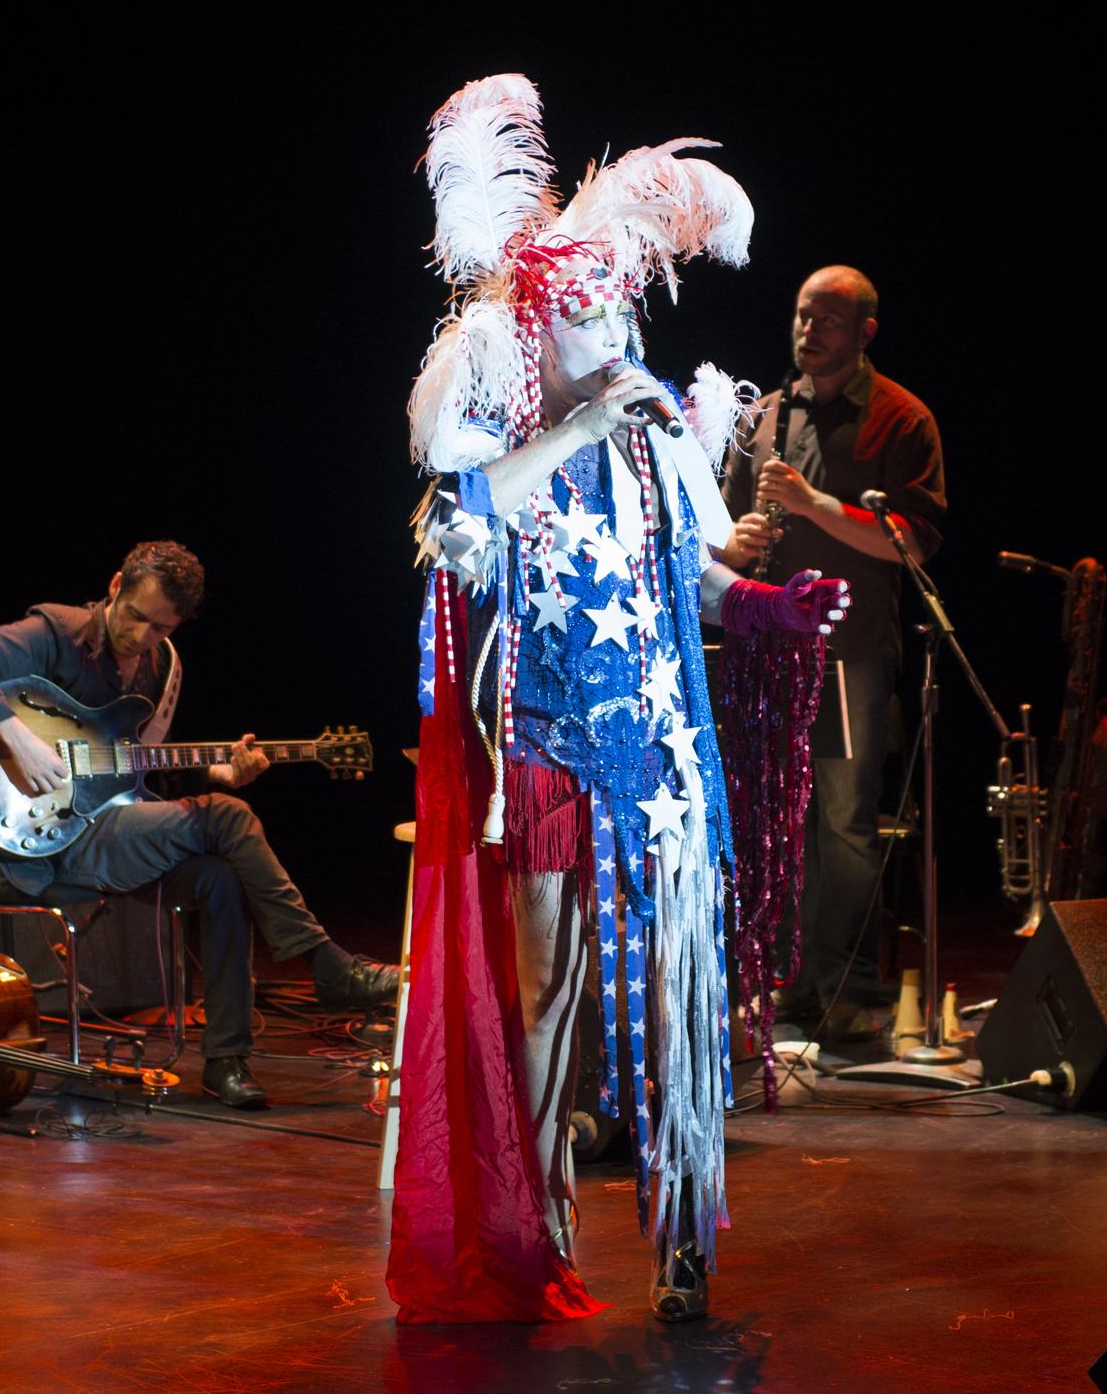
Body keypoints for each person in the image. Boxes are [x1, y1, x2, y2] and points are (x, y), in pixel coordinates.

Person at [389, 74, 845, 1326]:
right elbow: (456, 514)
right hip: (545, 758)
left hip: (656, 756)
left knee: (673, 995)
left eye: (620, 317)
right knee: (545, 1001)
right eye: (590, 321)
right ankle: (532, 1225)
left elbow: (690, 583)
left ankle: (686, 1235)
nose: (616, 337)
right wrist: (581, 424)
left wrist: (767, 608)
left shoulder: (657, 439)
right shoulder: (510, 427)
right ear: (540, 331)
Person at [0, 539, 400, 1110]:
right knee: (229, 819)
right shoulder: (57, 631)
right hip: (46, 839)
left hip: (111, 830)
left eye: (159, 628)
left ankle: (226, 1061)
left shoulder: (160, 668)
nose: (140, 636)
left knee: (219, 878)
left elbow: (137, 782)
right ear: (114, 587)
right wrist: (17, 739)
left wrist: (219, 773)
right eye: (135, 616)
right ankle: (327, 965)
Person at [717, 266, 946, 1037]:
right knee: (772, 815)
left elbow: (911, 543)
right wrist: (735, 540)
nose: (807, 330)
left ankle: (840, 981)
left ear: (865, 333)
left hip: (847, 649)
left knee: (843, 821)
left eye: (826, 319)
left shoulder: (901, 418)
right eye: (800, 314)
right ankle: (779, 979)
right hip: (764, 648)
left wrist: (815, 504)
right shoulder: (765, 416)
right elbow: (718, 540)